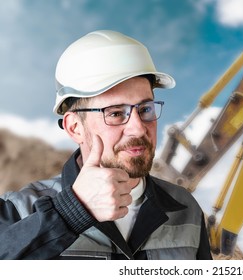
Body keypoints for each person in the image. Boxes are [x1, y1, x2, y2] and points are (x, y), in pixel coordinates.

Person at [0, 30, 212, 260]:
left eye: (145, 109)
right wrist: (71, 213)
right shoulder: (19, 211)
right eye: (115, 113)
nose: (139, 128)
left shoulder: (186, 209)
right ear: (74, 127)